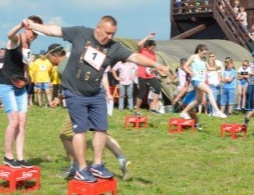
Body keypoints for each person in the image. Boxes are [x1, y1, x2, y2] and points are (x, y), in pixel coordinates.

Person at [24, 15, 169, 182]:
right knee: (80, 131)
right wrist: (32, 25)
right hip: (75, 92)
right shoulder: (81, 33)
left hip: (95, 92)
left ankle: (97, 165)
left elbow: (135, 57)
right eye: (107, 33)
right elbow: (53, 30)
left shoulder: (114, 47)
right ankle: (82, 169)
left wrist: (157, 65)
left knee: (101, 129)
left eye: (113, 34)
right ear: (98, 28)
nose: (109, 37)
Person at [46, 44, 132, 180]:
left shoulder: (62, 67)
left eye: (49, 57)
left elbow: (72, 87)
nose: (49, 61)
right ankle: (123, 161)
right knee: (102, 134)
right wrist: (107, 92)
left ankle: (76, 166)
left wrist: (59, 97)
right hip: (96, 99)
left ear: (54, 56)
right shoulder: (79, 58)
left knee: (65, 135)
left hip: (81, 102)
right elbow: (101, 73)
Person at [0, 16, 43, 168]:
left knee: (22, 123)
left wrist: (28, 78)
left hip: (20, 86)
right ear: (26, 28)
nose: (34, 36)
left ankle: (20, 157)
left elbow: (25, 68)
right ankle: (8, 156)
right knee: (14, 122)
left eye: (37, 34)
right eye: (33, 32)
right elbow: (9, 35)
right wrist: (19, 25)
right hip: (6, 84)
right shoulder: (16, 39)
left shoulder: (29, 45)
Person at [179, 44, 228, 119]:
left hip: (201, 80)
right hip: (195, 79)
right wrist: (190, 72)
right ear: (199, 51)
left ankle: (183, 112)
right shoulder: (194, 56)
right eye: (204, 53)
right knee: (210, 91)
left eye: (205, 53)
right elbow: (185, 66)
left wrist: (217, 68)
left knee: (198, 100)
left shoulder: (204, 59)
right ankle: (217, 111)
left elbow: (208, 68)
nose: (205, 55)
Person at [134, 33, 162, 114]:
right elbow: (138, 44)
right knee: (142, 93)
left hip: (150, 74)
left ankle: (153, 107)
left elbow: (154, 64)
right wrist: (148, 37)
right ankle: (136, 110)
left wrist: (158, 71)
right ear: (148, 45)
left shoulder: (153, 53)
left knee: (158, 87)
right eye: (152, 46)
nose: (153, 48)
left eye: (154, 47)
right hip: (142, 74)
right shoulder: (142, 50)